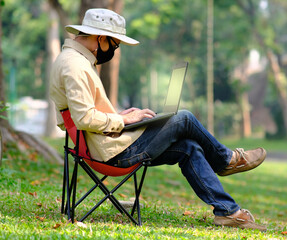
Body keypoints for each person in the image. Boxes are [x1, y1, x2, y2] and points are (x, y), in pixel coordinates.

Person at [50, 8, 267, 231]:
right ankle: (226, 160)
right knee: (184, 118)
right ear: (101, 38)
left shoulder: (74, 60)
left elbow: (84, 114)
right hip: (112, 153)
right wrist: (126, 121)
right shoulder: (75, 66)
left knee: (188, 147)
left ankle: (228, 212)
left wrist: (120, 116)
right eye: (115, 44)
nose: (115, 49)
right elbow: (85, 118)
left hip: (108, 145)